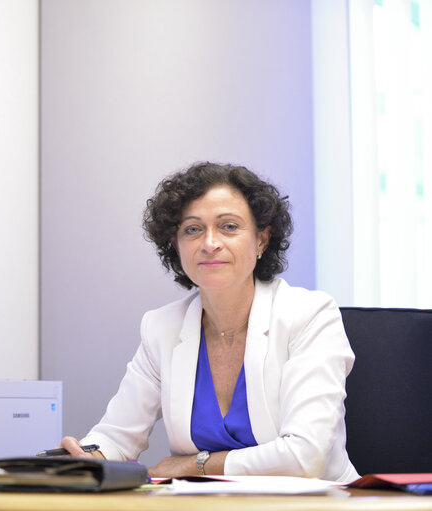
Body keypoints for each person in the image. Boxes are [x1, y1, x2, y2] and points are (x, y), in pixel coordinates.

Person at [59, 162, 359, 483]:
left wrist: (193, 465)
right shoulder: (162, 327)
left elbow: (304, 457)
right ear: (176, 245)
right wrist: (88, 456)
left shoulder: (309, 315)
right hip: (204, 504)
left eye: (229, 226)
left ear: (261, 240)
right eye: (192, 229)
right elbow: (117, 435)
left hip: (314, 505)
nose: (209, 243)